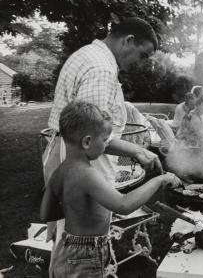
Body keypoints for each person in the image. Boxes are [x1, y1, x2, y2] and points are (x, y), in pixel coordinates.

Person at [43, 17, 165, 244]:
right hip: (89, 169)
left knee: (66, 242)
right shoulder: (101, 70)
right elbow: (91, 135)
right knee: (86, 241)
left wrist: (52, 217)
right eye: (143, 55)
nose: (141, 63)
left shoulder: (87, 55)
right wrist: (137, 151)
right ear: (129, 40)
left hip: (66, 161)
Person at [41, 101, 181, 277]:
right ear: (87, 142)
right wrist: (160, 179)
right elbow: (124, 205)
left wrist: (75, 207)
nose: (107, 145)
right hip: (85, 255)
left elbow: (46, 213)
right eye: (105, 140)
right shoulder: (87, 174)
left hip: (64, 249)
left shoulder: (60, 171)